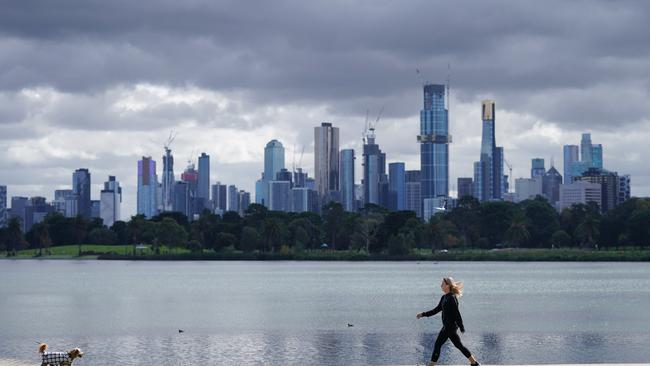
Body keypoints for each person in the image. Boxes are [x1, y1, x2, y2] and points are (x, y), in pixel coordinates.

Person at [416, 277, 480, 366]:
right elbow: (436, 310)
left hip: (450, 327)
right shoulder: (444, 297)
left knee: (438, 344)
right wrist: (423, 314)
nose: (440, 285)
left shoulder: (452, 298)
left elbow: (456, 313)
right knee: (458, 345)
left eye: (442, 284)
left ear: (447, 285)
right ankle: (474, 363)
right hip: (447, 326)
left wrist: (461, 326)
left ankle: (431, 365)